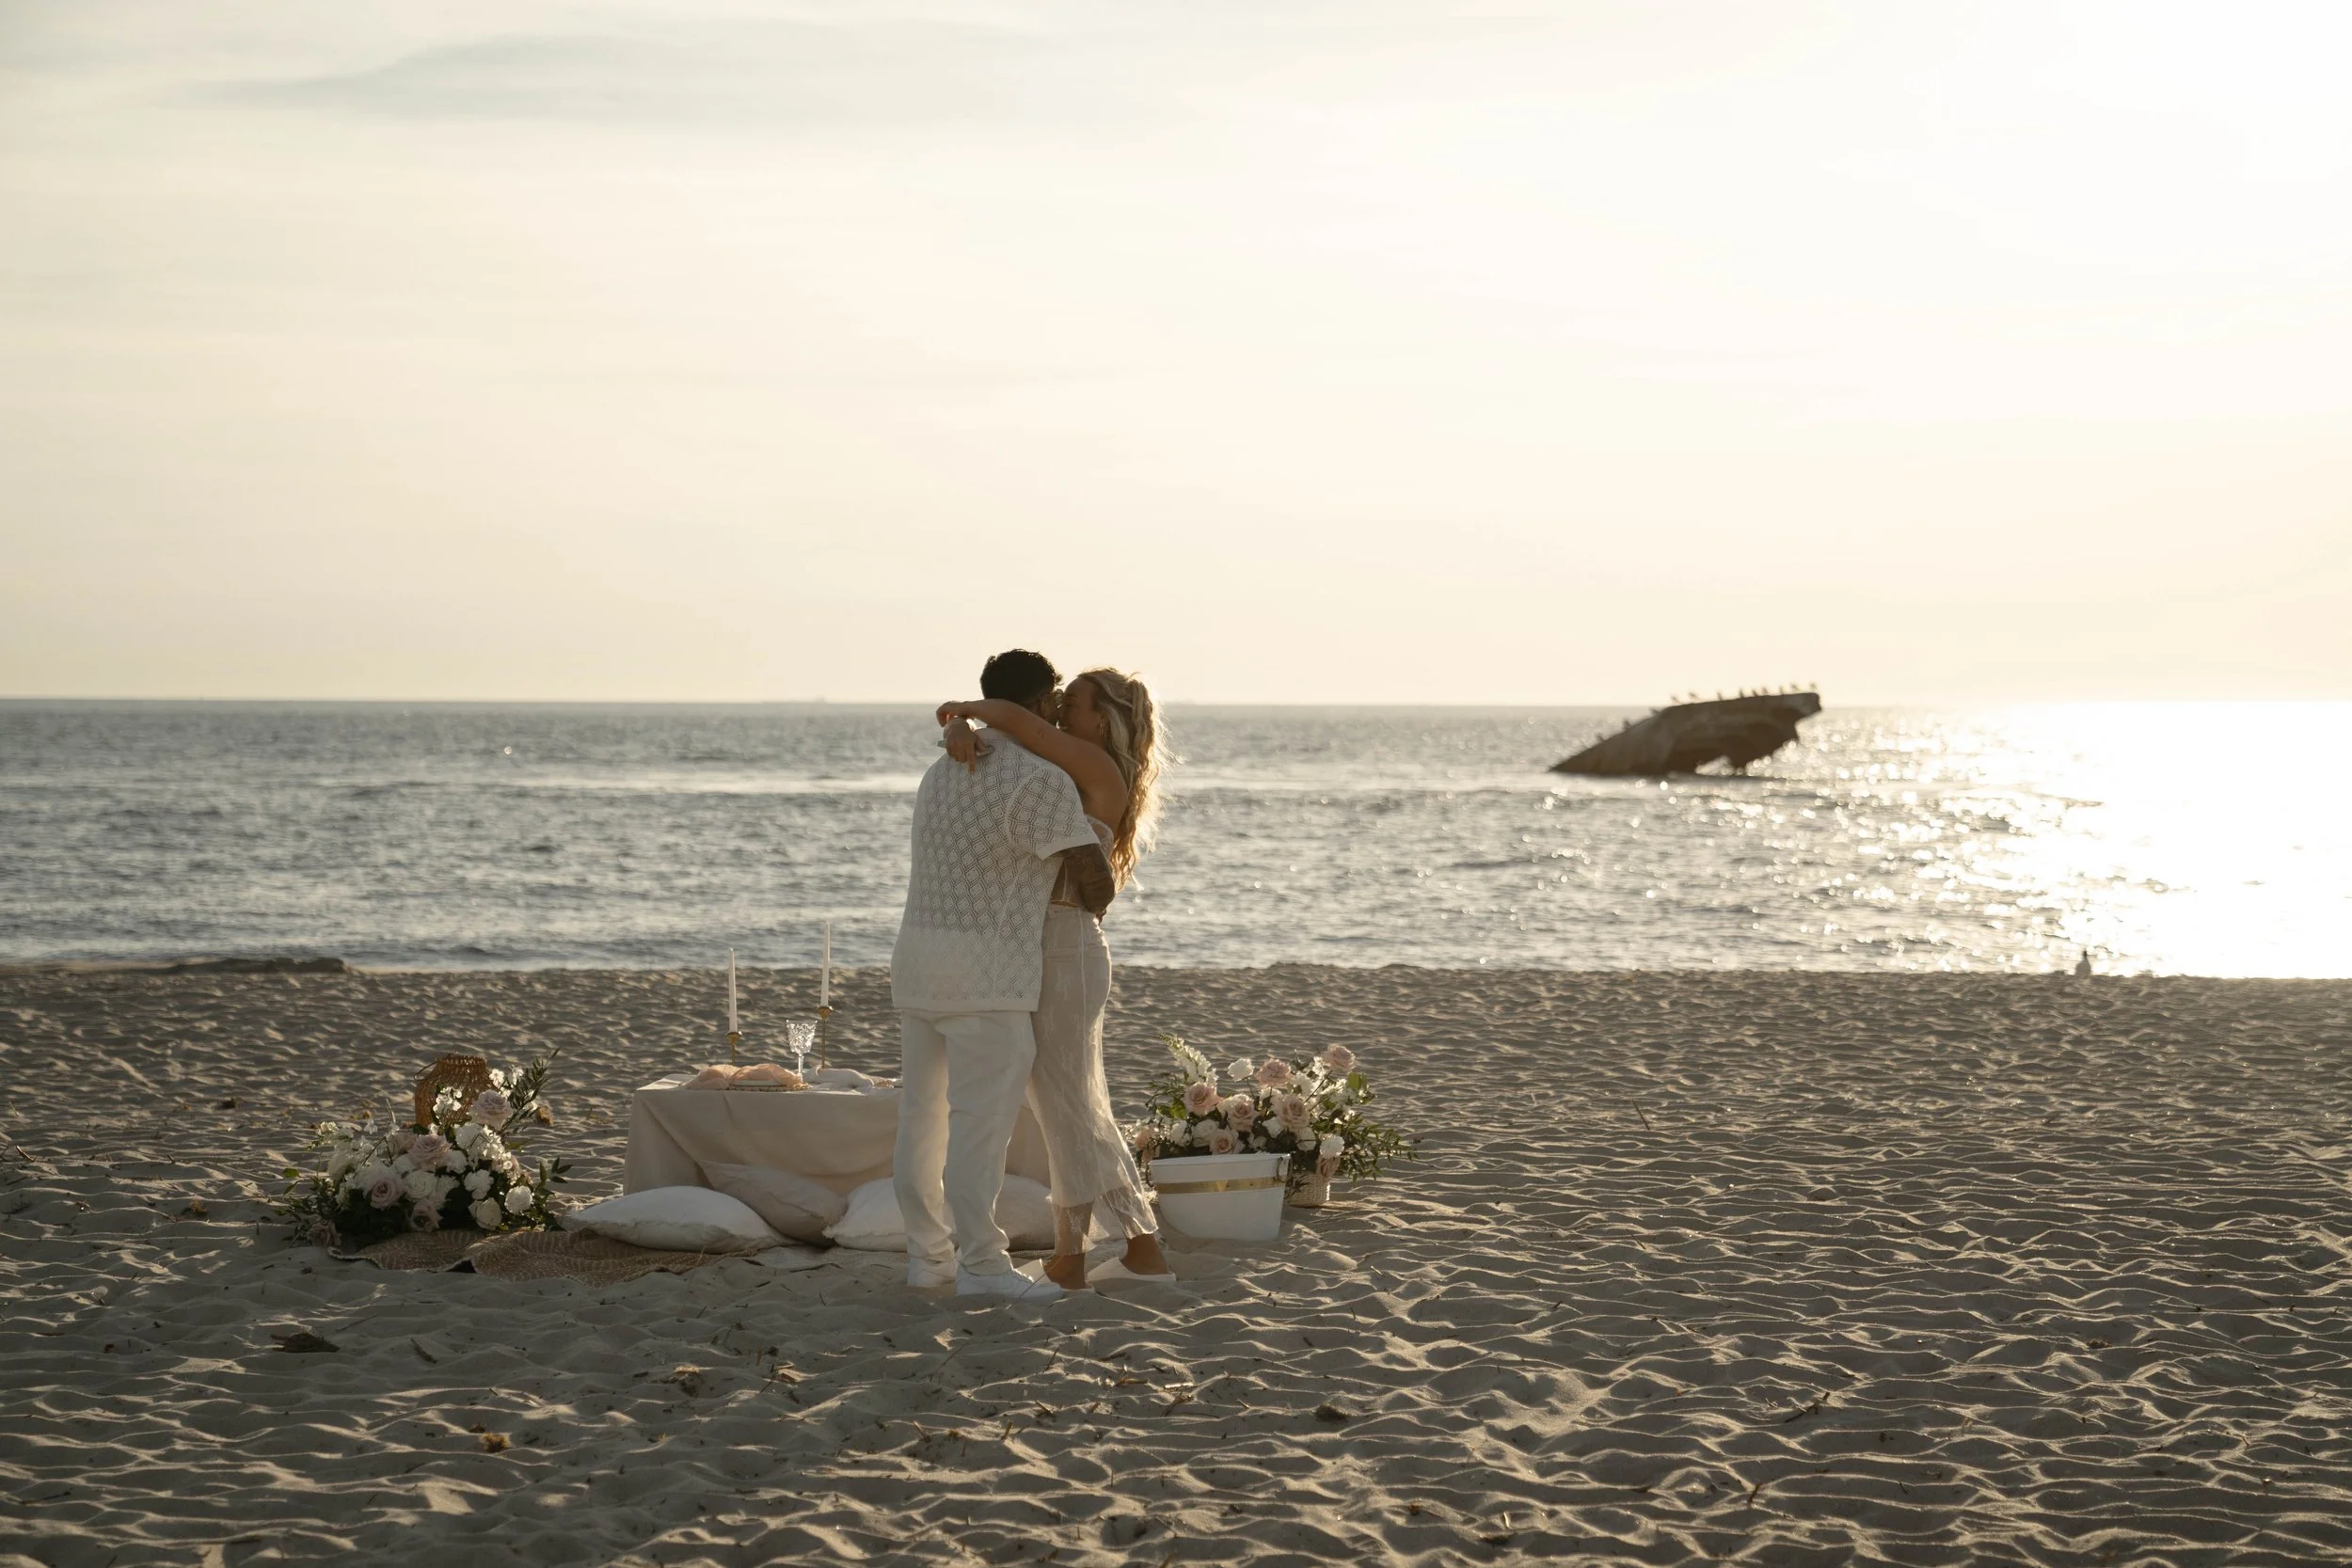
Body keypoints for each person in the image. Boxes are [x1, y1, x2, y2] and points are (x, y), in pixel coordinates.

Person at [890, 649, 1114, 1301]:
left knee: (919, 1120)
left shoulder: (940, 769)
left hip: (919, 964)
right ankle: (984, 1264)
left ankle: (926, 1258)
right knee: (977, 1128)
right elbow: (1092, 886)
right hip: (988, 974)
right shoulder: (1037, 779)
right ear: (1040, 705)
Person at [937, 665, 1169, 1289]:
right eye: (1060, 702)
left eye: (1075, 704)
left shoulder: (1097, 769)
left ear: (1103, 720)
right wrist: (964, 724)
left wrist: (961, 709)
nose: (1061, 711)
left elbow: (1015, 719)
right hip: (1044, 948)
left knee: (1070, 1104)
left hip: (1065, 947)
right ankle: (1093, 1252)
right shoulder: (1067, 767)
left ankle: (1131, 1248)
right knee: (1065, 1103)